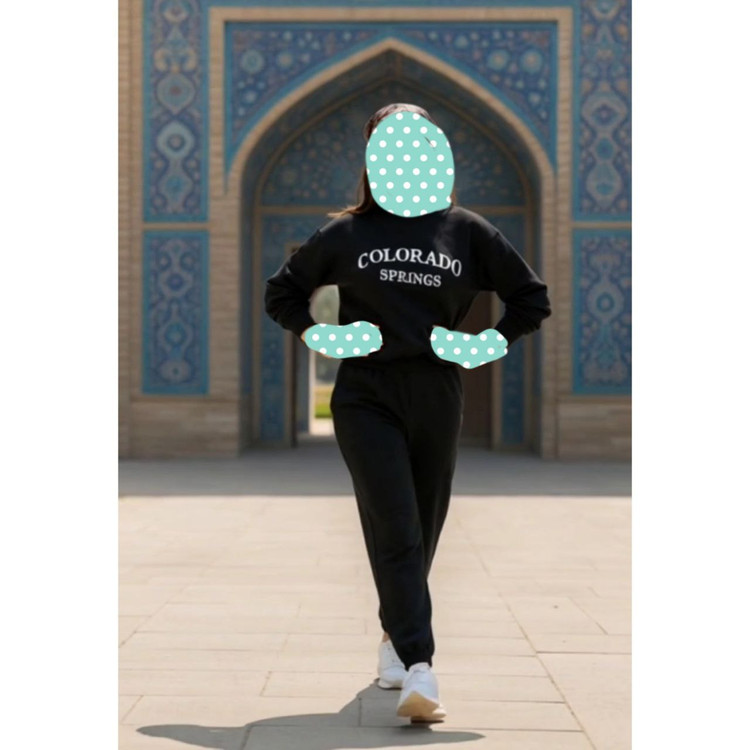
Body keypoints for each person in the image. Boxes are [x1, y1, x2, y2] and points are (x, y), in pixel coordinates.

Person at [264, 102, 552, 722]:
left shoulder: (466, 232)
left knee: (421, 526)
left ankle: (394, 638)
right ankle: (421, 667)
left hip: (436, 393)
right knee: (395, 523)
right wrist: (321, 333)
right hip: (365, 395)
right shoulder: (347, 235)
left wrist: (488, 342)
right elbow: (281, 292)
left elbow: (531, 299)